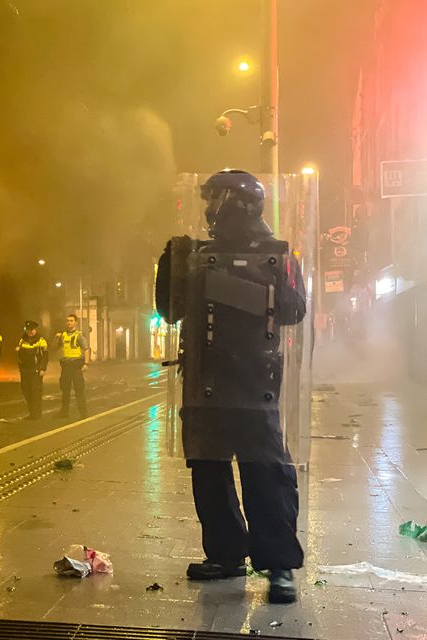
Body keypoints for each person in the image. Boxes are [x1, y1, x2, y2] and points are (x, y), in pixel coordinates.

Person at [155, 168, 307, 604]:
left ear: (238, 202)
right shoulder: (196, 253)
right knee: (209, 472)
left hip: (255, 383)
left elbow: (294, 310)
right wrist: (173, 265)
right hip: (207, 380)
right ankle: (226, 554)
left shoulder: (278, 255)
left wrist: (232, 285)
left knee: (267, 475)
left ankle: (279, 567)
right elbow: (170, 312)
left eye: (214, 198)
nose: (207, 209)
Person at [53, 314, 88, 418]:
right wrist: (56, 338)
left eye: (71, 321)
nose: (69, 323)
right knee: (65, 390)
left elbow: (86, 349)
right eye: (68, 321)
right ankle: (64, 412)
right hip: (66, 366)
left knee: (79, 390)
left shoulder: (79, 335)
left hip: (76, 366)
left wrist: (86, 363)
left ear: (75, 322)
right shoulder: (63, 335)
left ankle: (83, 413)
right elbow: (54, 347)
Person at [16, 320, 48, 420]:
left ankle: (37, 414)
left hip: (35, 370)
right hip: (25, 370)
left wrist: (43, 368)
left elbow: (45, 356)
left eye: (31, 330)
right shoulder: (22, 340)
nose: (29, 332)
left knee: (35, 392)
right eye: (27, 330)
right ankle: (32, 412)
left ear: (35, 330)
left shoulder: (41, 341)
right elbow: (19, 355)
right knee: (26, 391)